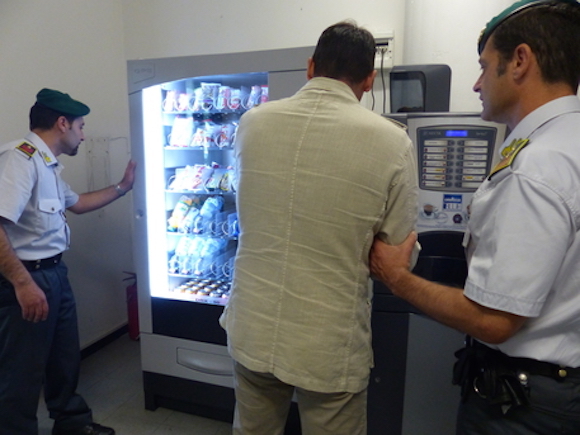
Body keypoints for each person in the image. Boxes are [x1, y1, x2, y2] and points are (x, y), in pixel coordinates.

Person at [369, 1, 580, 434]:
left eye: (484, 67)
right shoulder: (566, 143)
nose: (477, 84)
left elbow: (494, 321)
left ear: (520, 61)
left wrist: (396, 277)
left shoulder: (535, 168)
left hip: (522, 406)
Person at [219, 21, 419, 435]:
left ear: (311, 67)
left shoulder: (252, 123)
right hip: (327, 341)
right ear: (369, 79)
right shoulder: (392, 141)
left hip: (253, 324)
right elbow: (396, 257)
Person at [0, 88, 136, 435]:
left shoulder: (47, 165)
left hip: (54, 272)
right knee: (21, 369)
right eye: (81, 126)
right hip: (27, 278)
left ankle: (72, 423)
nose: (83, 135)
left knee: (63, 357)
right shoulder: (20, 159)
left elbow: (78, 204)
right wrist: (22, 283)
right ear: (63, 123)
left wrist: (123, 186)